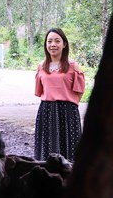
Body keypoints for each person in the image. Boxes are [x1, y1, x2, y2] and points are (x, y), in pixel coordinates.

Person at [33, 27, 85, 162]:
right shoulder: (41, 66)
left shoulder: (73, 66)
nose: (53, 45)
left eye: (57, 41)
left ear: (64, 44)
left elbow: (79, 92)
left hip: (67, 113)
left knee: (70, 152)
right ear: (46, 45)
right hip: (46, 112)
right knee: (47, 152)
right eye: (49, 41)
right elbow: (40, 92)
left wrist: (68, 105)